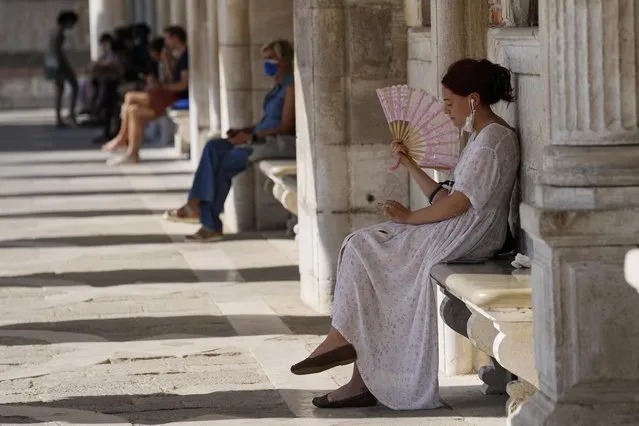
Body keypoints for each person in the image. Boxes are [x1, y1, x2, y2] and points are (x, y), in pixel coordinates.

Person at [289, 58, 520, 410]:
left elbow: (458, 205)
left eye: (449, 103)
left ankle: (344, 343)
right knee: (364, 247)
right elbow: (447, 196)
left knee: (366, 246)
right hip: (457, 226)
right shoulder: (481, 137)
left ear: (473, 100)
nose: (445, 112)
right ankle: (358, 370)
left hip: (470, 233)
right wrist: (411, 163)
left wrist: (411, 218)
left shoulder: (493, 141)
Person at [163, 39, 296, 242]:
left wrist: (251, 136)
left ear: (284, 61)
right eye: (265, 59)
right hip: (257, 139)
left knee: (223, 164)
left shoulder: (291, 87)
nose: (266, 63)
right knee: (213, 146)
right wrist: (243, 130)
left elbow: (287, 126)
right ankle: (199, 209)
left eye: (271, 59)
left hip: (274, 144)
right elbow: (265, 122)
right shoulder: (277, 87)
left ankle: (205, 218)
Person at [101, 26, 189, 165]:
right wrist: (166, 63)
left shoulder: (185, 57)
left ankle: (127, 145)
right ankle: (128, 148)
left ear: (175, 38)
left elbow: (183, 85)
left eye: (167, 39)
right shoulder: (178, 56)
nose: (165, 43)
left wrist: (161, 86)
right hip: (168, 94)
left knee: (131, 99)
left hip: (173, 97)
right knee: (132, 109)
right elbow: (171, 78)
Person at [46, 10, 79, 127]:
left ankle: (60, 117)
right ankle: (69, 114)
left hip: (53, 63)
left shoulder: (55, 30)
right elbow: (57, 51)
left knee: (60, 89)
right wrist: (63, 65)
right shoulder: (59, 32)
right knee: (73, 85)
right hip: (58, 63)